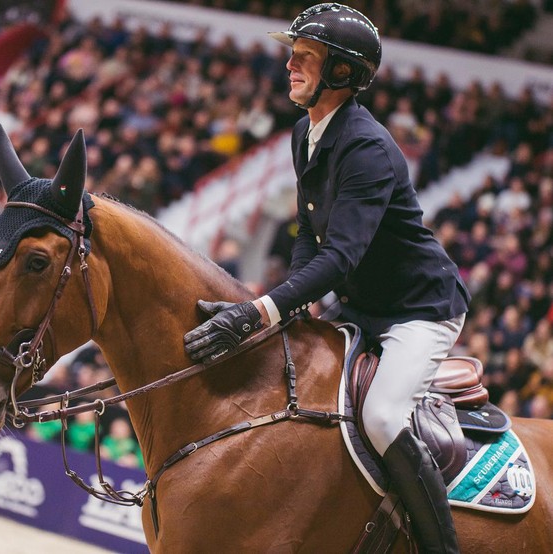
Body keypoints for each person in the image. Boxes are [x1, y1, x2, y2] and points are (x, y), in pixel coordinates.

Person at [183, 4, 469, 553]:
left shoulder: (366, 148)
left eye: (304, 58)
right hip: (361, 303)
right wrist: (287, 307)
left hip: (418, 308)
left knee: (383, 418)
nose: (290, 65)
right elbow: (308, 235)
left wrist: (256, 311)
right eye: (292, 55)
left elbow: (339, 259)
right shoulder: (304, 132)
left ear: (341, 72)